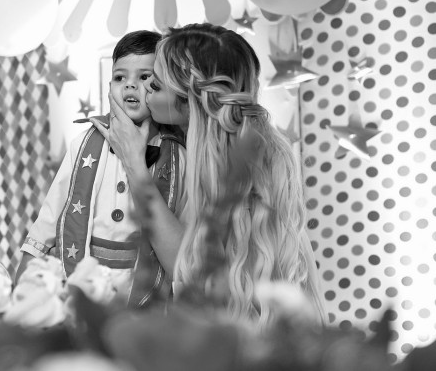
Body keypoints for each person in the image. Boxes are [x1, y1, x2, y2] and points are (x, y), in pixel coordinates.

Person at [90, 23, 327, 324]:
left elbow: (188, 270)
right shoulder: (199, 142)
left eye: (156, 85)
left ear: (190, 101)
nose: (144, 89)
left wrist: (134, 162)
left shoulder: (235, 166)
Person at [17, 30, 186, 307]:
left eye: (145, 77)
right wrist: (26, 270)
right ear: (109, 85)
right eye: (120, 78)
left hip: (146, 289)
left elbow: (184, 239)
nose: (130, 86)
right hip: (87, 278)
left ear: (160, 86)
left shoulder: (177, 155)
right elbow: (51, 213)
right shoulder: (83, 144)